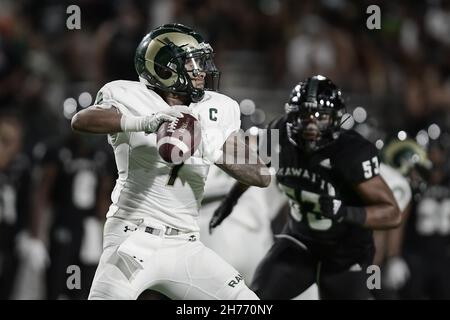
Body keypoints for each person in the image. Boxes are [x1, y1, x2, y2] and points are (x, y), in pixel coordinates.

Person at [71, 23, 270, 300]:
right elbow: (81, 120)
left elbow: (261, 175)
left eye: (202, 62)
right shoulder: (128, 96)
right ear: (165, 68)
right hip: (134, 239)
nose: (202, 71)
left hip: (185, 244)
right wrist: (144, 123)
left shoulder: (217, 108)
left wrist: (210, 147)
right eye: (192, 63)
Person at [210, 75, 401, 299]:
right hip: (299, 243)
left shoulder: (351, 152)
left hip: (349, 254)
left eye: (320, 116)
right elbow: (254, 172)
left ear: (336, 118)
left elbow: (392, 213)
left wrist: (345, 212)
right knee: (256, 299)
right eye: (304, 116)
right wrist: (230, 201)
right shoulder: (278, 133)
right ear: (291, 115)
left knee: (374, 292)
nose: (311, 125)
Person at [372, 138, 432, 298]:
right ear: (401, 164)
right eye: (414, 171)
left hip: (374, 265)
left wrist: (393, 257)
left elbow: (396, 227)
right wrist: (373, 279)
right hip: (365, 264)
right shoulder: (385, 187)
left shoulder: (402, 192)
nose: (417, 179)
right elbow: (375, 244)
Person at [0, 115, 32, 299]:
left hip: (11, 227)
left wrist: (25, 230)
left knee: (10, 275)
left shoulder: (22, 165)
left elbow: (27, 200)